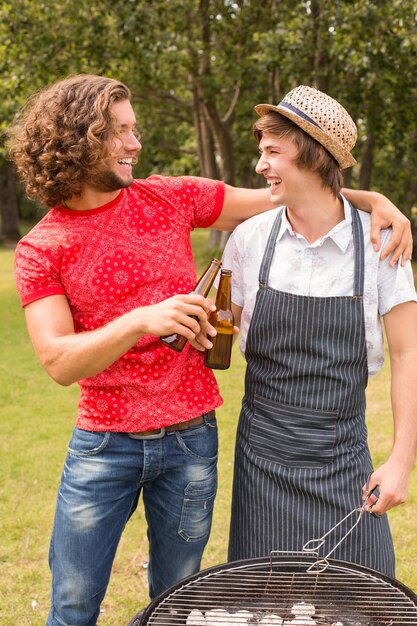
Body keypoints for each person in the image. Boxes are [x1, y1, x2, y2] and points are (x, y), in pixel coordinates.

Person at [7, 74, 412, 626]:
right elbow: (56, 360)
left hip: (192, 444)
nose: (135, 143)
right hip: (107, 446)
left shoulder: (168, 198)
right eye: (119, 132)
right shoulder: (41, 248)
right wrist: (141, 321)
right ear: (80, 139)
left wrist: (374, 201)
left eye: (135, 129)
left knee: (182, 602)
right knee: (75, 602)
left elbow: (291, 191)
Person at [222, 85, 417, 576]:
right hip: (260, 465)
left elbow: (409, 354)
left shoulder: (380, 244)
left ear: (312, 155)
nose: (261, 165)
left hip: (343, 464)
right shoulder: (249, 239)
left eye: (272, 152)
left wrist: (400, 461)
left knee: (365, 599)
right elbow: (217, 333)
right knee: (265, 605)